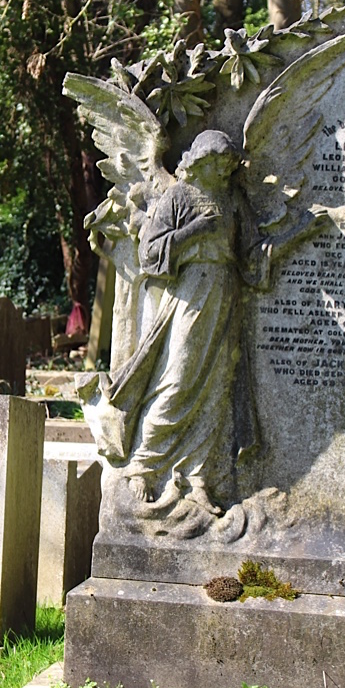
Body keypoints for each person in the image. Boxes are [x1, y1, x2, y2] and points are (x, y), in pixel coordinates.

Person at [96, 130, 245, 516]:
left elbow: (248, 248)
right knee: (178, 378)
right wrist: (196, 232)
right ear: (199, 162)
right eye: (217, 163)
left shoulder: (230, 198)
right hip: (190, 291)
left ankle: (197, 477)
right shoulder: (179, 196)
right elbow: (149, 252)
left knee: (215, 387)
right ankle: (145, 464)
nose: (223, 170)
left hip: (224, 291)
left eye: (227, 165)